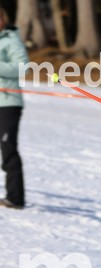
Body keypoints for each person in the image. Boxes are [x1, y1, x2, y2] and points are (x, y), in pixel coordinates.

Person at [0, 8, 28, 210]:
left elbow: (23, 66)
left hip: (8, 103)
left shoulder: (11, 40)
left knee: (8, 148)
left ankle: (15, 198)